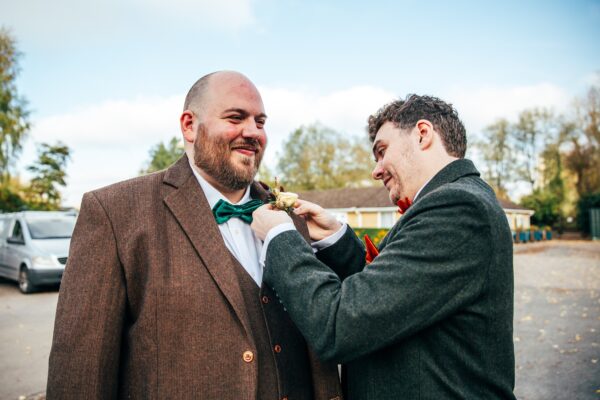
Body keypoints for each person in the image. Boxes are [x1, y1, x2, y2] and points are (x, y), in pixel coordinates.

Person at [47, 71, 342, 400]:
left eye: (260, 122)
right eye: (236, 117)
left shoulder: (291, 218)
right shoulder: (114, 213)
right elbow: (80, 369)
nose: (253, 132)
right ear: (189, 125)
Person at [251, 95, 516, 399]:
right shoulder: (453, 201)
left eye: (382, 151)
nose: (376, 171)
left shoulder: (459, 208)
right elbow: (391, 298)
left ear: (422, 134)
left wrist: (280, 238)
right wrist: (334, 236)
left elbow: (340, 325)